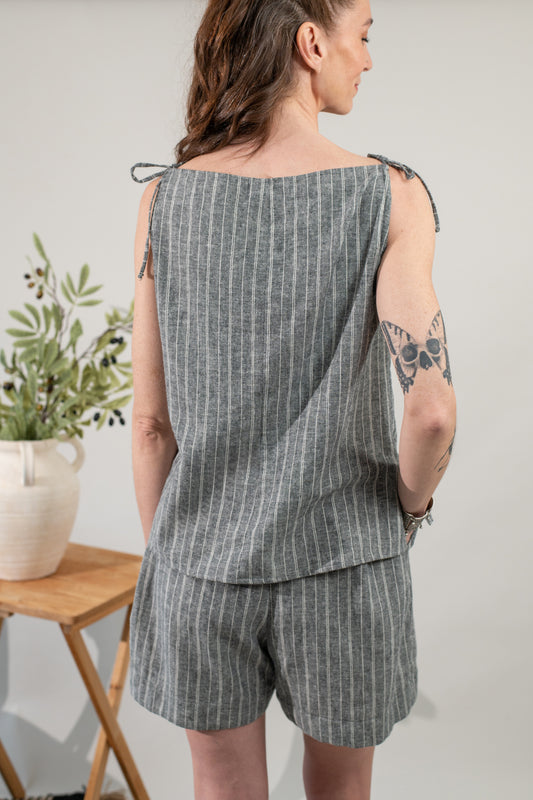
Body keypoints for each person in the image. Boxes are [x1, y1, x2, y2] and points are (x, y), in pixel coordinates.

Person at [128, 0, 457, 797]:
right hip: (345, 563)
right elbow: (431, 410)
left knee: (221, 784)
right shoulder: (389, 194)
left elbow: (149, 425)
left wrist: (179, 557)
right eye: (364, 36)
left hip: (203, 566)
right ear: (311, 41)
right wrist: (404, 514)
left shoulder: (165, 199)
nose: (368, 58)